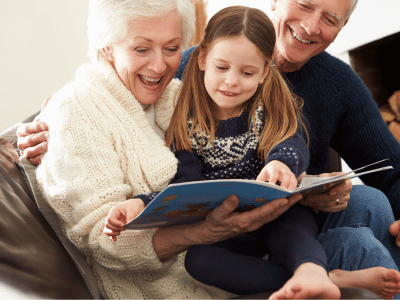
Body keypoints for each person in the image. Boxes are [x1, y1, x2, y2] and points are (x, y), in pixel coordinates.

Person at [15, 0, 400, 299]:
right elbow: (108, 94)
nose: (311, 25)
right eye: (304, 4)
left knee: (374, 203)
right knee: (359, 242)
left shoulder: (182, 89)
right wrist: (40, 121)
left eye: (330, 19)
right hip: (218, 244)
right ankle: (327, 277)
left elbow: (386, 169)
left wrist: (301, 180)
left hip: (284, 217)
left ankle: (323, 273)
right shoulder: (183, 78)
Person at [105, 5, 342, 299]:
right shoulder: (185, 120)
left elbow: (290, 143)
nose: (231, 81)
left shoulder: (266, 106)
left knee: (292, 228)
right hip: (230, 229)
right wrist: (141, 205)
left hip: (277, 214)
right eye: (222, 67)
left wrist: (282, 163)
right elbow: (185, 187)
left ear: (265, 72)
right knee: (198, 261)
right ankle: (318, 282)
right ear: (202, 58)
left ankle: (312, 272)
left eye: (247, 72)